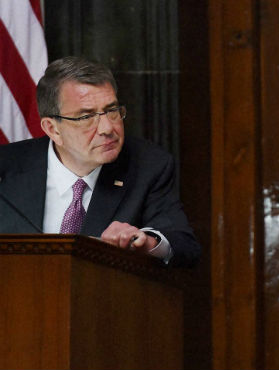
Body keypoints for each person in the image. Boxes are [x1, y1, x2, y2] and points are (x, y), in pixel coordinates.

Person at [0, 56, 201, 266]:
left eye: (112, 111)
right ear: (53, 129)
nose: (107, 128)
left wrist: (146, 242)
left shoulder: (149, 165)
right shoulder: (6, 167)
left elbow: (184, 246)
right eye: (86, 117)